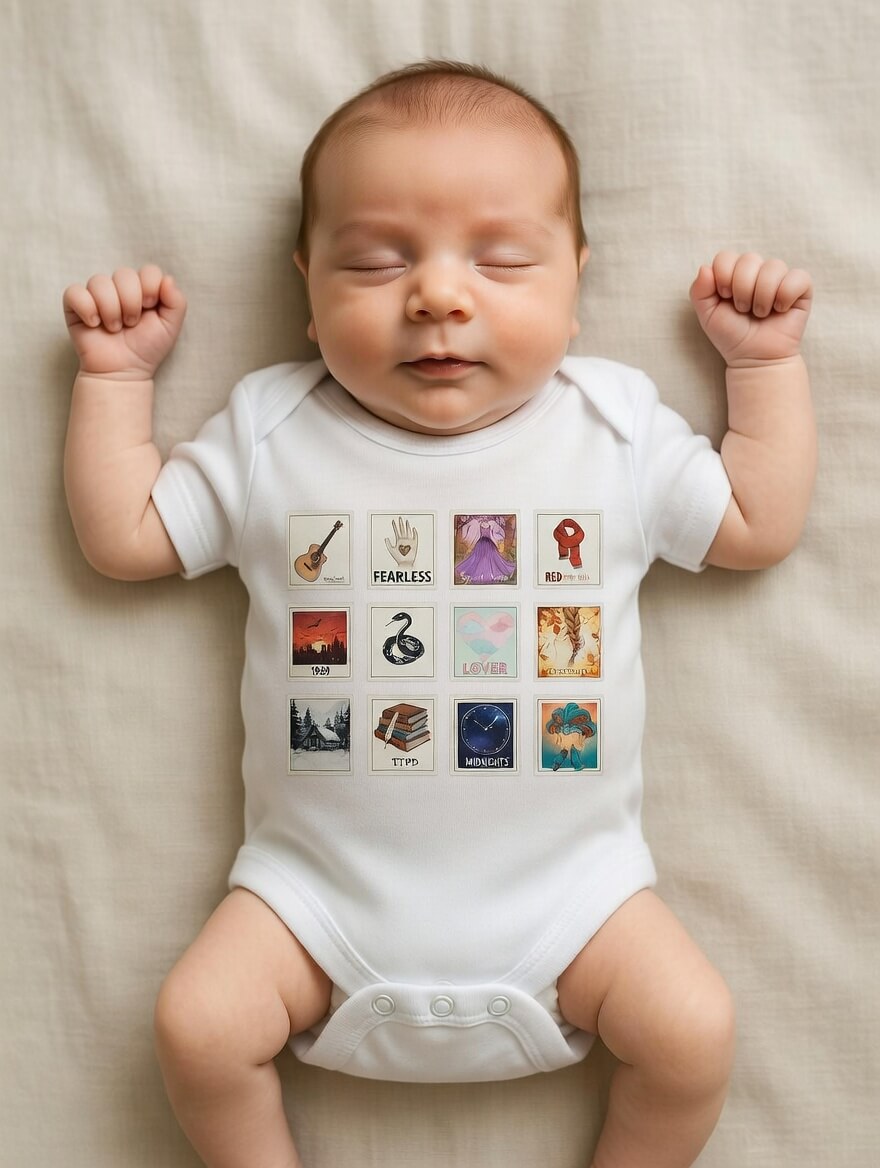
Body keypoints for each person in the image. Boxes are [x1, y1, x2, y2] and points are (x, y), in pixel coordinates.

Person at [62, 60, 816, 1168]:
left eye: (503, 258)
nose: (438, 295)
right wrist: (115, 385)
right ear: (307, 294)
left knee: (693, 1033)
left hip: (574, 904)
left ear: (574, 286)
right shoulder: (274, 429)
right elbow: (124, 536)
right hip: (313, 902)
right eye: (374, 261)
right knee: (197, 1026)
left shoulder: (609, 425)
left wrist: (763, 367)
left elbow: (755, 520)